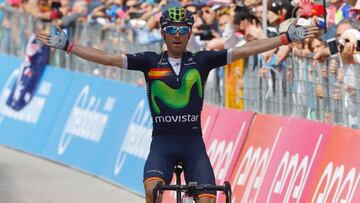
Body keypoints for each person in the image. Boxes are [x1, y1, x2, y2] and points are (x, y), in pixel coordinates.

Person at [36, 5, 318, 203]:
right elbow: (108, 58)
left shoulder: (203, 60)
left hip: (193, 144)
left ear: (190, 32)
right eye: (171, 29)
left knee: (209, 197)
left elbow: (244, 50)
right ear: (163, 32)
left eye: (183, 29)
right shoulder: (148, 62)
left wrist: (284, 38)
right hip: (162, 144)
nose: (177, 34)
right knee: (153, 190)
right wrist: (69, 47)